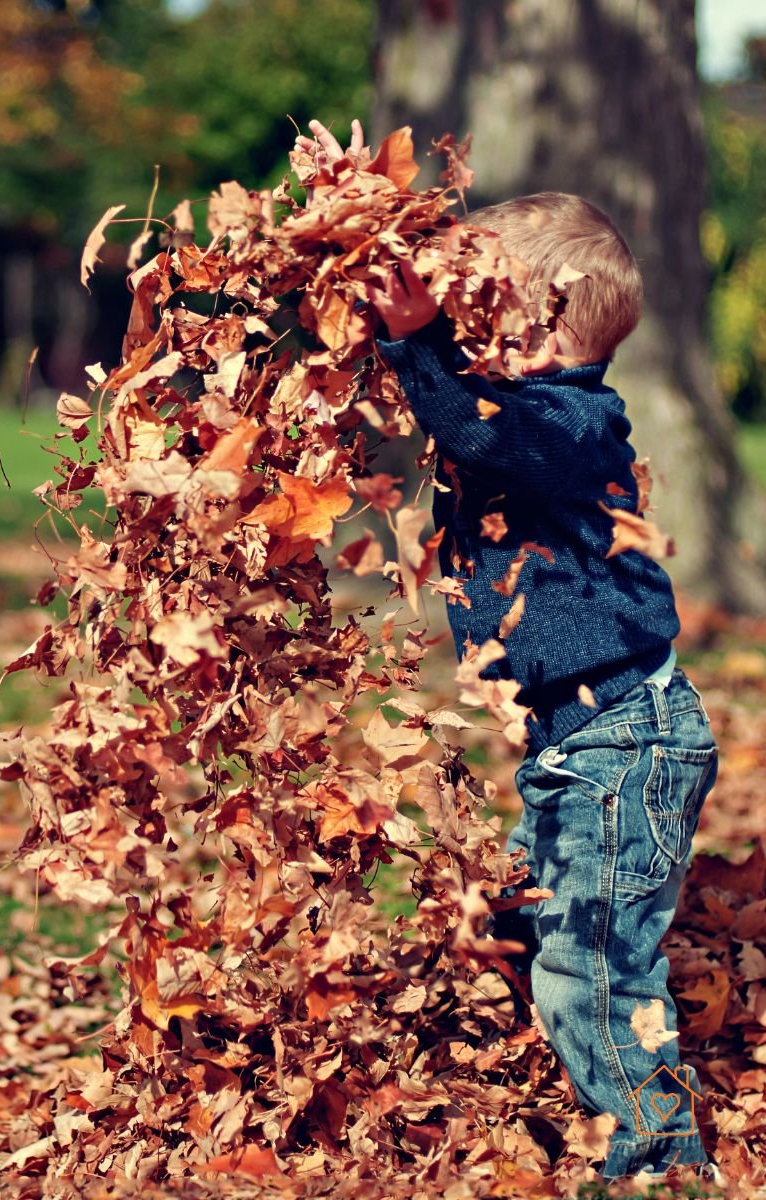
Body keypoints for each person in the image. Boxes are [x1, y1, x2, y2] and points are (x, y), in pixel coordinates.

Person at [299, 120, 721, 1184]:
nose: (456, 322)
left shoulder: (571, 424)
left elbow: (479, 431)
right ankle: (605, 1100)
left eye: (475, 304)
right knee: (541, 929)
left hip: (626, 743)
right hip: (581, 744)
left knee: (590, 963)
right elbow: (462, 420)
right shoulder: (524, 409)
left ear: (533, 327)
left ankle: (660, 1159)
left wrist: (416, 343)